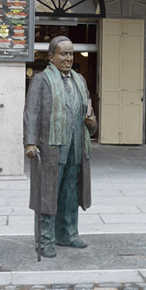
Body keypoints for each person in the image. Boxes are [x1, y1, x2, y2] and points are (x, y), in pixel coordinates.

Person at [23, 36, 97, 258]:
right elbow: (31, 113)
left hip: (76, 147)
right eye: (63, 53)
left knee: (70, 194)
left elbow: (88, 113)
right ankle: (45, 240)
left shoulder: (79, 80)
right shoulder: (41, 80)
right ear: (51, 56)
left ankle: (68, 234)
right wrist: (29, 142)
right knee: (48, 194)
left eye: (71, 54)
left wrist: (93, 124)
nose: (68, 58)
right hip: (51, 148)